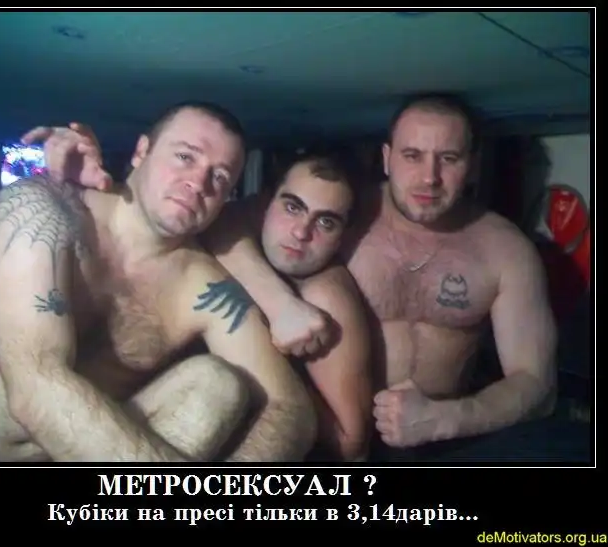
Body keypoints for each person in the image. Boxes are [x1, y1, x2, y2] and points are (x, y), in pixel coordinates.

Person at [186, 92, 569, 462]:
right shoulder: (342, 211)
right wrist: (279, 303)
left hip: (448, 441)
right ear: (387, 158)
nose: (429, 178)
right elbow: (225, 224)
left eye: (449, 158)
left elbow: (537, 385)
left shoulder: (505, 250)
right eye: (412, 156)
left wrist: (444, 420)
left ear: (472, 165)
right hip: (334, 439)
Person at [18, 122, 373, 462]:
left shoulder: (326, 296)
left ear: (343, 236)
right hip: (100, 414)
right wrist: (81, 180)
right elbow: (210, 220)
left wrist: (269, 368)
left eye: (326, 222)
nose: (301, 231)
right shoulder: (219, 230)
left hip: (225, 435)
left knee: (217, 384)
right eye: (292, 207)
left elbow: (349, 441)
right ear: (264, 204)